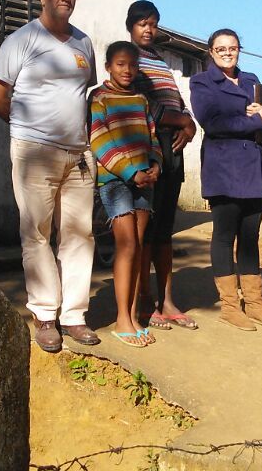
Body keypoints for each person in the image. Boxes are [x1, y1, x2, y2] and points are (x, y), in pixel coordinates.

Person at [0, 0, 100, 352]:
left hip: (79, 154)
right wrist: (25, 129)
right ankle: (45, 313)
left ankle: (74, 315)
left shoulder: (84, 42)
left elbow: (83, 95)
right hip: (35, 151)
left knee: (80, 234)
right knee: (37, 232)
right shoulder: (21, 40)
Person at [189, 29, 262, 331]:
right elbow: (212, 123)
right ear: (211, 52)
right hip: (223, 168)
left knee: (251, 237)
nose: (227, 52)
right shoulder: (201, 82)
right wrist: (255, 120)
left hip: (254, 167)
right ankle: (230, 306)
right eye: (220, 48)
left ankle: (255, 304)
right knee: (225, 236)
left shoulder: (252, 80)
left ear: (239, 50)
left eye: (233, 47)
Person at [125, 0, 199, 331]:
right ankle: (143, 301)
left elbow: (176, 102)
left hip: (172, 151)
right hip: (146, 152)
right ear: (130, 26)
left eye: (153, 23)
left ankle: (166, 302)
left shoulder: (158, 61)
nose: (149, 29)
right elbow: (144, 107)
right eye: (142, 23)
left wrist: (189, 123)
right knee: (145, 231)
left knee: (165, 231)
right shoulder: (127, 60)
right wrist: (181, 120)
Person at [89, 41, 163, 348]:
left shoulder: (140, 99)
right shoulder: (99, 97)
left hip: (146, 180)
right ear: (108, 66)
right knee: (127, 244)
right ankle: (122, 319)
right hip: (117, 181)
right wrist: (130, 171)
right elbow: (99, 140)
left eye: (132, 65)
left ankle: (133, 317)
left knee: (139, 245)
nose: (127, 70)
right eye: (120, 64)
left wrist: (156, 164)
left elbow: (152, 135)